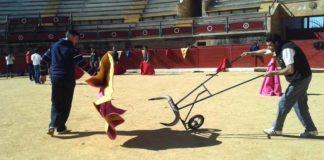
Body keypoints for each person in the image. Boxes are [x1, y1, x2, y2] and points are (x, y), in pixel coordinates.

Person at [241, 34, 318, 137]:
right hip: (302, 77)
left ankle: (277, 129)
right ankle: (311, 129)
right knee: (300, 105)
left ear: (276, 43)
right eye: (267, 45)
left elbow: (290, 70)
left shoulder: (287, 50)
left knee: (284, 101)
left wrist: (274, 73)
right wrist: (250, 53)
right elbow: (265, 51)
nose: (268, 47)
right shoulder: (277, 47)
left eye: (270, 45)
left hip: (300, 79)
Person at [40, 30, 97, 136]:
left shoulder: (53, 46)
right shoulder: (71, 48)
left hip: (56, 78)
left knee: (56, 101)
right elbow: (82, 64)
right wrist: (95, 73)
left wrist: (42, 74)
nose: (77, 41)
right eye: (77, 38)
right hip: (68, 78)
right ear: (71, 36)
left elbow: (43, 60)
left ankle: (53, 125)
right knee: (66, 103)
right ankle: (59, 127)